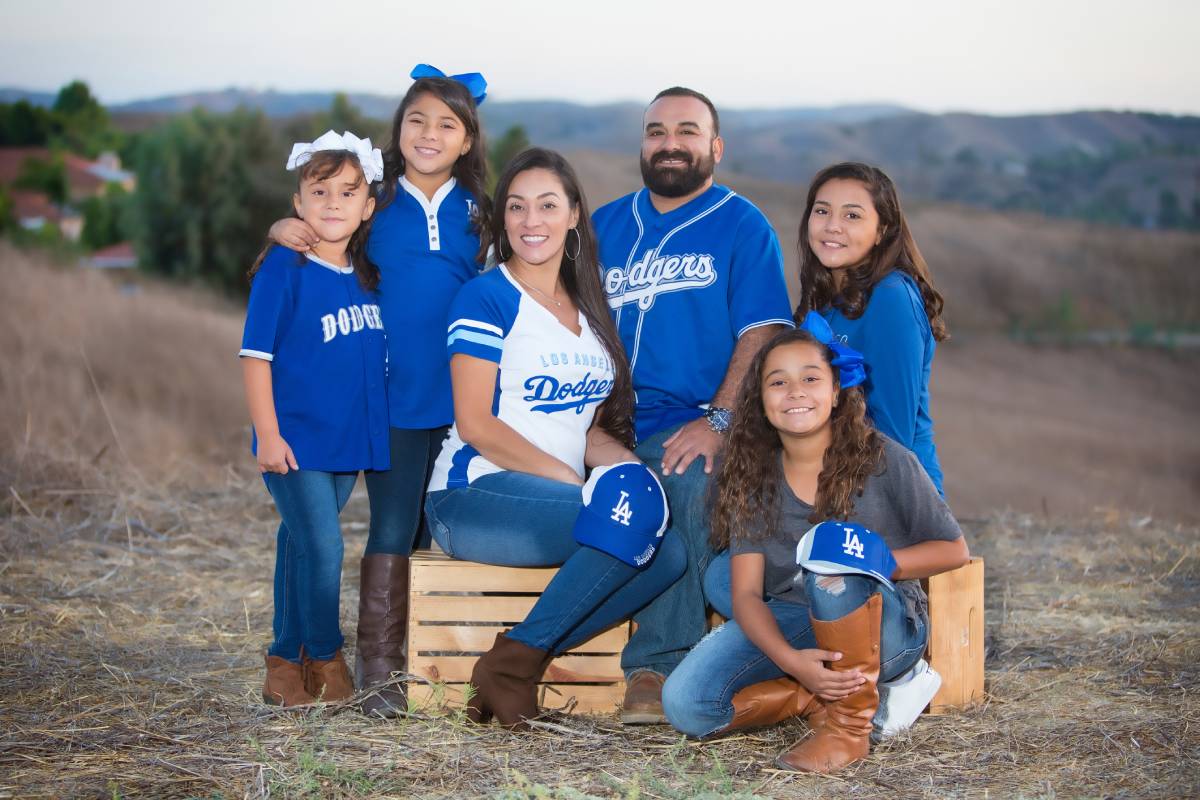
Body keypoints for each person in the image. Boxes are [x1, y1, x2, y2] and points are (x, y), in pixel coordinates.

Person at [424, 147, 687, 729]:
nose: (530, 221)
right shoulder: (486, 297)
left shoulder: (589, 310)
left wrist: (626, 468)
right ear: (502, 220)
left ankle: (517, 659)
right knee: (620, 528)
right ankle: (512, 667)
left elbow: (583, 427)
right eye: (516, 207)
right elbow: (476, 423)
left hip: (554, 497)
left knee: (666, 553)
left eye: (547, 205)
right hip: (473, 494)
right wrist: (570, 480)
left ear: (573, 216)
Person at [268, 65, 489, 716]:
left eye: (447, 123)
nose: (429, 133)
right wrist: (281, 230)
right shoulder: (373, 195)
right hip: (371, 390)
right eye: (416, 119)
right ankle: (374, 677)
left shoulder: (479, 211)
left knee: (419, 524)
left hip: (446, 394)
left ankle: (403, 658)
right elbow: (315, 224)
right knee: (370, 524)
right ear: (397, 128)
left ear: (468, 140)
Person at [660, 320, 969, 774]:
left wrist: (876, 563)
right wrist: (792, 663)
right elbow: (745, 593)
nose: (795, 392)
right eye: (777, 382)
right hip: (797, 615)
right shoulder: (752, 475)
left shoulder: (884, 459)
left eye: (810, 378)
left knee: (834, 569)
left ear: (837, 390)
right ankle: (813, 695)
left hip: (884, 628)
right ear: (760, 402)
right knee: (687, 705)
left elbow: (954, 550)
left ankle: (848, 729)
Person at [591, 87, 793, 722]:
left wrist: (719, 421)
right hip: (603, 418)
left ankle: (657, 667)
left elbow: (761, 331)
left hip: (695, 421)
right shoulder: (604, 225)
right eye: (656, 131)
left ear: (715, 146)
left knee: (679, 480)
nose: (669, 143)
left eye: (686, 130)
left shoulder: (741, 223)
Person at [240, 131, 388, 707]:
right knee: (324, 548)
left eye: (347, 192)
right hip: (294, 440)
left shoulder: (368, 275)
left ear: (367, 206)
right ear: (297, 203)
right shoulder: (285, 268)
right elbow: (256, 357)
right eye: (318, 190)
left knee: (298, 542)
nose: (332, 203)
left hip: (345, 440)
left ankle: (284, 659)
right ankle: (325, 656)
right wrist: (268, 434)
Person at [794, 162, 949, 494]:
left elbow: (892, 435)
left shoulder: (891, 299)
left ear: (882, 231)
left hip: (893, 495)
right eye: (822, 211)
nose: (833, 226)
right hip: (834, 481)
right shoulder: (829, 299)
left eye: (852, 216)